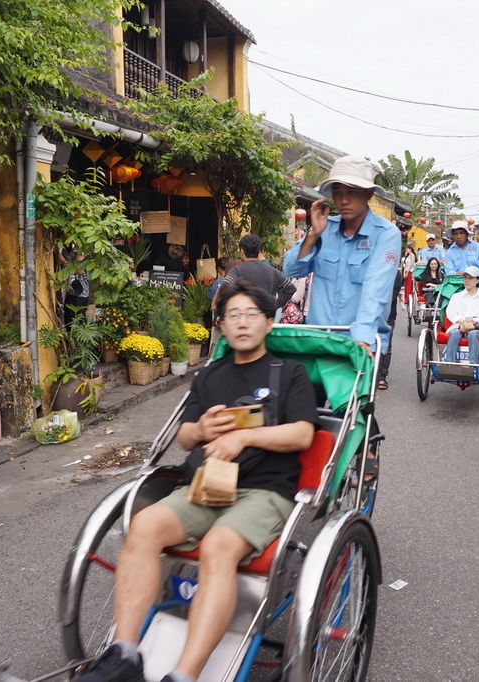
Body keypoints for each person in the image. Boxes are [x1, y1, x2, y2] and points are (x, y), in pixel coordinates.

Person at [77, 280, 317, 682]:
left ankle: (185, 674)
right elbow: (185, 435)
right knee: (145, 525)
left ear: (269, 323)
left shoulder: (288, 373)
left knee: (220, 545)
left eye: (251, 315)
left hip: (263, 490)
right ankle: (125, 655)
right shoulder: (210, 376)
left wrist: (244, 435)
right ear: (220, 325)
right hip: (206, 484)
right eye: (232, 316)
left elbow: (302, 435)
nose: (242, 323)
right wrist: (203, 428)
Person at [283, 155, 400, 360]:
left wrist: (362, 338)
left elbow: (376, 290)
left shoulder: (386, 233)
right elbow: (291, 270)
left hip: (358, 343)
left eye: (352, 192)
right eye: (338, 193)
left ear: (369, 193)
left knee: (350, 392)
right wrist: (312, 235)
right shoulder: (324, 228)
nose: (344, 200)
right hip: (318, 340)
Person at [216, 234, 296, 311]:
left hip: (245, 319)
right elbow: (290, 288)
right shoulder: (271, 270)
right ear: (258, 252)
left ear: (242, 251)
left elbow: (224, 289)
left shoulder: (236, 271)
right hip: (265, 319)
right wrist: (274, 305)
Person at [442, 266, 479, 365]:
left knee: (473, 334)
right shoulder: (456, 296)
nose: (467, 281)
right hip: (458, 325)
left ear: (477, 280)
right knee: (456, 332)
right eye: (465, 278)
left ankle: (472, 365)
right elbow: (451, 313)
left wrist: (473, 320)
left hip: (476, 327)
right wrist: (462, 321)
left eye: (471, 278)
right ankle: (448, 363)